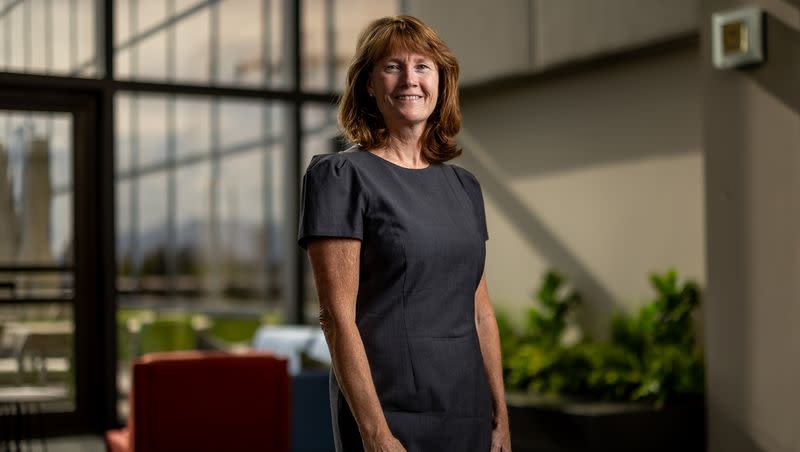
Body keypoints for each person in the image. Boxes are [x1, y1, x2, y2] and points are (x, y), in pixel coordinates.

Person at [298, 15, 511, 452]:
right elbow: (336, 318)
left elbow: (480, 311)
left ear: (441, 82)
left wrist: (501, 415)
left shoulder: (464, 187)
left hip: (466, 409)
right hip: (387, 412)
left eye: (422, 66)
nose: (409, 79)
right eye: (392, 66)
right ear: (369, 85)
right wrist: (376, 434)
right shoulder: (339, 176)